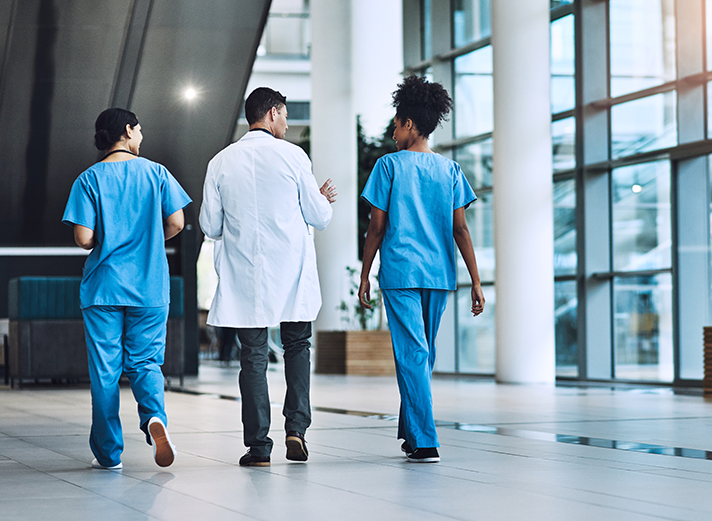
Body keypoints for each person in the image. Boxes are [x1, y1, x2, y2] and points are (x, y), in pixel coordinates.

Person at [199, 87, 337, 467]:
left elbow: (209, 225)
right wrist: (321, 199)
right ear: (273, 113)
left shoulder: (220, 162)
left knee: (253, 357)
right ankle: (296, 429)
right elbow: (319, 216)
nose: (288, 123)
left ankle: (259, 447)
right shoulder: (293, 156)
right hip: (291, 273)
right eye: (286, 116)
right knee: (297, 347)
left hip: (247, 276)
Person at [358, 75, 485, 463]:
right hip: (439, 275)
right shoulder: (450, 171)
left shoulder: (388, 166)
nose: (393, 133)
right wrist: (475, 282)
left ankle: (426, 441)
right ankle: (412, 433)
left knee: (413, 355)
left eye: (396, 125)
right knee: (422, 356)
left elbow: (376, 227)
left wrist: (364, 273)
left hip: (400, 274)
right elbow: (460, 229)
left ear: (410, 124)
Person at [62, 107, 192, 470]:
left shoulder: (88, 179)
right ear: (128, 130)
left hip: (103, 288)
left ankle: (108, 454)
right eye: (139, 130)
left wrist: (107, 240)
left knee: (105, 371)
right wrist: (149, 238)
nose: (142, 136)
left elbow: (83, 237)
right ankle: (154, 419)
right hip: (149, 285)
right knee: (146, 362)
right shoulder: (157, 173)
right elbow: (177, 222)